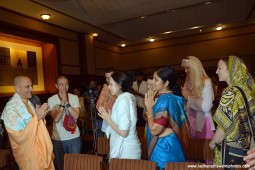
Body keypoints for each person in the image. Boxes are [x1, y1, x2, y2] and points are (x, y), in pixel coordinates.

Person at [209, 56, 255, 165]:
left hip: (230, 146)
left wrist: (212, 143)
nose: (216, 71)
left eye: (219, 68)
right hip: (247, 144)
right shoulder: (247, 90)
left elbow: (224, 127)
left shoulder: (230, 93)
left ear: (231, 70)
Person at [1, 76, 54, 169]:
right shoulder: (11, 109)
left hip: (40, 149)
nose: (32, 89)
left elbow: (36, 125)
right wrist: (37, 117)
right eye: (27, 86)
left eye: (31, 85)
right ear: (17, 88)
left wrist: (41, 117)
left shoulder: (28, 102)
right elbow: (20, 137)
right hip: (28, 155)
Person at [145, 67, 189, 170]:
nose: (153, 82)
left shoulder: (165, 99)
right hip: (171, 144)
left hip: (164, 148)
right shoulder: (173, 98)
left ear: (166, 83)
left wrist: (149, 108)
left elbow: (154, 130)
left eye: (156, 79)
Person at [98, 72, 141, 159]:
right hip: (129, 146)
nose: (109, 87)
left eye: (111, 84)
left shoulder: (122, 100)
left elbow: (124, 132)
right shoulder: (127, 97)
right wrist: (111, 117)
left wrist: (109, 120)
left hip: (126, 150)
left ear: (120, 85)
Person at [48, 76, 81, 170]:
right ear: (56, 86)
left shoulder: (74, 97)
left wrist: (67, 103)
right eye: (61, 84)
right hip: (58, 139)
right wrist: (62, 103)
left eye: (66, 84)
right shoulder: (52, 100)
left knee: (75, 165)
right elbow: (56, 119)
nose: (64, 87)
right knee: (60, 166)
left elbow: (76, 116)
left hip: (73, 138)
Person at [181, 56, 215, 139]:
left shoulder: (206, 82)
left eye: (187, 68)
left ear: (194, 68)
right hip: (190, 123)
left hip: (203, 123)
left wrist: (188, 97)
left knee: (204, 150)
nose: (185, 71)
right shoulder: (187, 83)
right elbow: (185, 107)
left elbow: (206, 107)